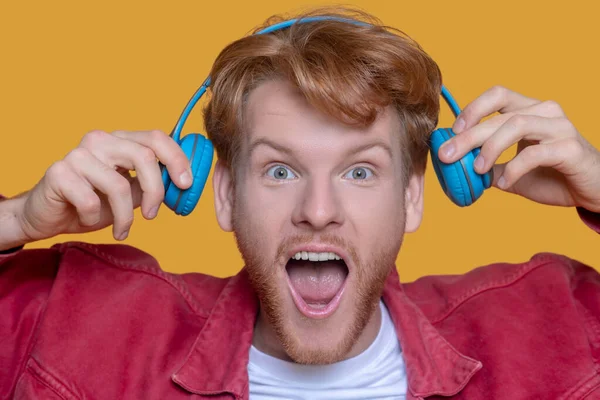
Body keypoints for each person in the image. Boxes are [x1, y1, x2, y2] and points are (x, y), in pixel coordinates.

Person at [1, 6, 599, 400]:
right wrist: (16, 217)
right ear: (226, 193)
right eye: (280, 169)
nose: (318, 210)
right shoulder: (75, 324)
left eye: (360, 170)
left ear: (413, 196)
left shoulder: (560, 323)